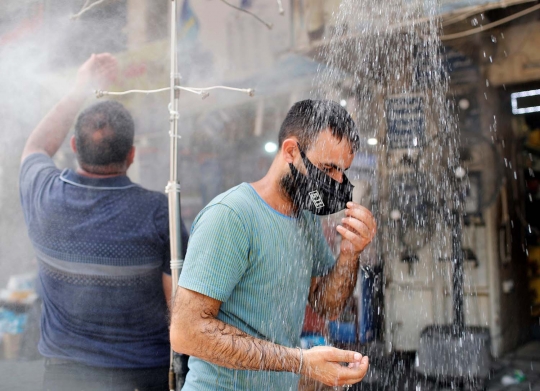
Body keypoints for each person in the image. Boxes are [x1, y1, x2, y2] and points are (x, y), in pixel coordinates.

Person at [170, 99, 377, 390]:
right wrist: (301, 363)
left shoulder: (305, 218)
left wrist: (350, 253)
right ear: (291, 151)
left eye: (342, 172)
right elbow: (186, 332)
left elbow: (328, 306)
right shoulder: (232, 216)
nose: (337, 182)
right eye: (328, 168)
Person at [19, 53, 189, 391]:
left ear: (73, 146)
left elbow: (36, 145)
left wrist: (81, 88)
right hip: (144, 376)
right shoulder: (159, 210)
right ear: (131, 154)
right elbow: (179, 307)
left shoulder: (44, 195)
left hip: (64, 377)